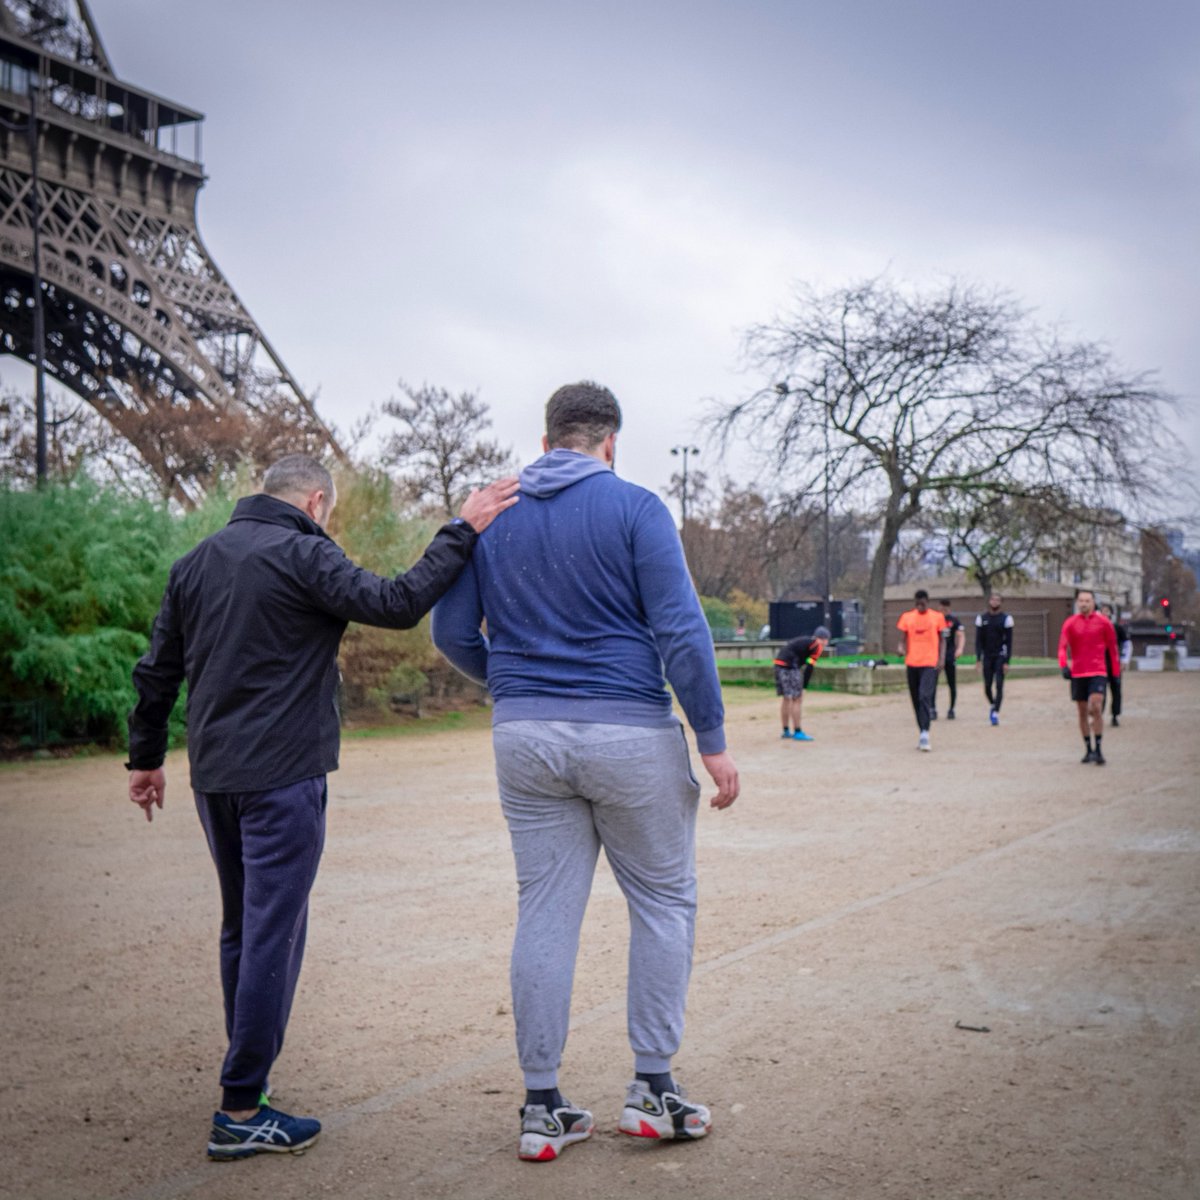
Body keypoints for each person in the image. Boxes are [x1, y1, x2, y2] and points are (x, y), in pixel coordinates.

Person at [126, 455, 518, 1161]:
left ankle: (247, 1084)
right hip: (282, 776)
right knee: (274, 932)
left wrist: (146, 757)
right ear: (316, 502)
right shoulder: (303, 554)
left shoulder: (196, 562)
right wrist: (461, 528)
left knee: (243, 929)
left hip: (214, 775)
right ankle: (242, 1105)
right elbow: (398, 603)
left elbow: (157, 670)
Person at [431, 382, 739, 1162]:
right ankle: (653, 1089)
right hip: (629, 726)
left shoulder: (492, 510)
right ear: (611, 444)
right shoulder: (637, 508)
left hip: (525, 735)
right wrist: (711, 735)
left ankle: (542, 1106)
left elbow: (449, 630)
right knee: (664, 901)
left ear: (545, 444)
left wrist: (509, 682)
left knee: (545, 911)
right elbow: (679, 627)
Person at [1058, 588, 1120, 765]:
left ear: (1093, 602)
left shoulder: (1103, 623)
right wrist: (1063, 665)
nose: (1084, 603)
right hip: (1078, 673)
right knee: (1082, 712)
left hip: (1098, 671)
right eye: (1081, 601)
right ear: (1078, 603)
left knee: (1096, 705)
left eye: (1087, 600)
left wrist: (1115, 673)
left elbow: (1112, 649)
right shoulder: (1070, 623)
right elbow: (1062, 646)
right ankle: (1088, 749)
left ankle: (1099, 747)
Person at [896, 589, 946, 751]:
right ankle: (921, 731)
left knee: (925, 695)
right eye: (918, 603)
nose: (920, 606)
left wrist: (941, 659)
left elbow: (943, 640)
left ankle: (925, 732)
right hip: (912, 662)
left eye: (923, 603)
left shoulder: (937, 617)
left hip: (930, 663)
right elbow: (903, 639)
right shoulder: (907, 617)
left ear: (927, 602)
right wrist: (901, 648)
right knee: (916, 698)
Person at [773, 626, 830, 740]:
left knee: (786, 698)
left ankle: (786, 731)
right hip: (789, 666)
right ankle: (798, 731)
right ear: (824, 639)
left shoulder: (808, 642)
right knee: (797, 699)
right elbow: (809, 667)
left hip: (778, 665)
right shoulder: (817, 646)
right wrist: (804, 688)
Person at [974, 591, 1014, 725]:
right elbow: (978, 641)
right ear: (989, 601)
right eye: (993, 599)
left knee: (999, 685)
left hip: (1000, 656)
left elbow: (1009, 642)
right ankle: (993, 704)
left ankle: (995, 713)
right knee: (987, 686)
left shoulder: (1006, 619)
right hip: (987, 657)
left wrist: (1007, 661)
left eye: (998, 600)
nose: (995, 602)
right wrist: (978, 659)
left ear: (1001, 602)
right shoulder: (982, 618)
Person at [1100, 602, 1132, 726]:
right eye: (1102, 610)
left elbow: (1127, 644)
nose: (1104, 613)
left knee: (1116, 690)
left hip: (1115, 664)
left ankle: (1115, 715)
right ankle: (1099, 715)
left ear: (1111, 614)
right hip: (1101, 664)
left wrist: (1124, 661)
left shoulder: (1117, 628)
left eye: (1107, 611)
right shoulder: (1096, 628)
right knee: (1100, 691)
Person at [934, 599, 965, 720]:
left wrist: (960, 649)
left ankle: (951, 708)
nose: (943, 611)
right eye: (941, 609)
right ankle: (932, 708)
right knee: (932, 683)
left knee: (952, 683)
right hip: (935, 657)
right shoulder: (934, 619)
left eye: (945, 609)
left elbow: (961, 635)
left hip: (949, 656)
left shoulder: (954, 620)